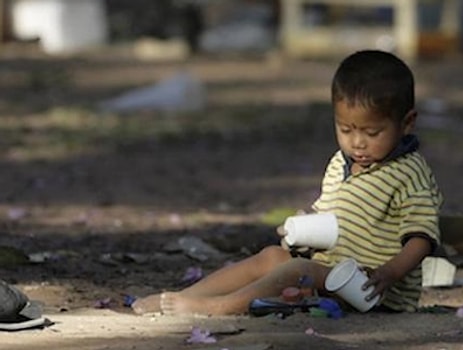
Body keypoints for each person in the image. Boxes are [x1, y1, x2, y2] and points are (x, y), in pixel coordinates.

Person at [131, 50, 443, 316]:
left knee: (298, 271)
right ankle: (189, 295)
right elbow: (333, 223)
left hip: (373, 291)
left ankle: (220, 308)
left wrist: (388, 273)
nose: (357, 142)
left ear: (406, 123)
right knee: (272, 256)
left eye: (372, 133)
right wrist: (303, 233)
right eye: (346, 129)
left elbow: (421, 238)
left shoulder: (409, 172)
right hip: (329, 274)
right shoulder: (340, 163)